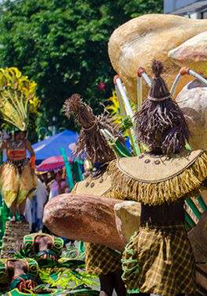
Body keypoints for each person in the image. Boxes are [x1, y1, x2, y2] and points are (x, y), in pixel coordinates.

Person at [109, 60, 207, 296]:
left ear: (145, 129)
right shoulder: (183, 164)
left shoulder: (133, 169)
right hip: (171, 241)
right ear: (175, 127)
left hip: (149, 240)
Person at [65, 93, 129, 296]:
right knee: (117, 286)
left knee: (107, 287)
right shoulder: (118, 179)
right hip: (112, 239)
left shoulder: (85, 185)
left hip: (94, 242)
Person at [0, 130, 36, 221]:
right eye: (20, 133)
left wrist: (32, 167)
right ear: (14, 132)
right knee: (11, 192)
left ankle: (21, 214)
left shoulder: (26, 142)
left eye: (23, 133)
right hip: (10, 170)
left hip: (24, 169)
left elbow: (32, 154)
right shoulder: (6, 142)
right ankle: (13, 214)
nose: (22, 135)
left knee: (23, 193)